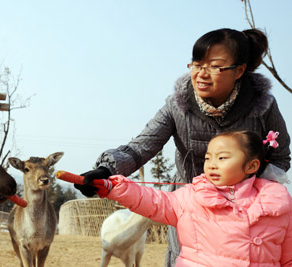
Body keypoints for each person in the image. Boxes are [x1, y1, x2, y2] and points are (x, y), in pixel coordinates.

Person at [74, 28, 291, 266]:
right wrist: (106, 170)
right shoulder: (178, 105)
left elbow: (280, 156)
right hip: (192, 212)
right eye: (197, 65)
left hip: (249, 220)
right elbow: (142, 146)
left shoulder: (263, 106)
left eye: (215, 66)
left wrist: (252, 198)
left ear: (239, 70)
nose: (202, 74)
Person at [82, 130, 292, 266]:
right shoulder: (192, 197)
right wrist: (113, 186)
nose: (211, 164)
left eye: (222, 158)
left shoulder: (277, 205)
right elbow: (155, 201)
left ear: (252, 166)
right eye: (208, 158)